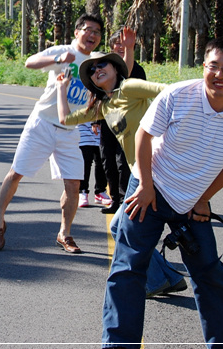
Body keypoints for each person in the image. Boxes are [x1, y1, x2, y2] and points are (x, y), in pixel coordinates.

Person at [101, 37, 223, 349]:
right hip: (150, 187)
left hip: (193, 200)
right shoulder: (178, 94)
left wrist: (204, 198)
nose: (220, 75)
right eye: (213, 66)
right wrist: (147, 186)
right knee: (128, 269)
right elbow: (144, 136)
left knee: (210, 274)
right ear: (204, 66)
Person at [56, 51, 186, 298]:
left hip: (159, 169)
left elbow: (171, 91)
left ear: (115, 69)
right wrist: (62, 89)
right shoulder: (104, 105)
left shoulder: (130, 87)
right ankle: (167, 277)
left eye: (102, 64)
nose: (97, 70)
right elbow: (66, 119)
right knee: (119, 226)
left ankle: (162, 278)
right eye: (92, 70)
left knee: (127, 228)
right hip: (140, 173)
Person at [0, 13, 103, 254]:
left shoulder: (96, 62)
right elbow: (29, 63)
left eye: (97, 32)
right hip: (41, 124)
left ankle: (65, 233)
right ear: (77, 32)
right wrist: (58, 59)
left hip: (70, 130)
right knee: (16, 173)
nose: (92, 35)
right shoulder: (64, 50)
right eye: (88, 29)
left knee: (74, 183)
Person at [101, 28, 146, 214]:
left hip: (129, 122)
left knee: (123, 163)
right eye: (116, 43)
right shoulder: (103, 67)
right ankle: (115, 200)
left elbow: (124, 76)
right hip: (108, 119)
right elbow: (98, 92)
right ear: (111, 48)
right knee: (107, 160)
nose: (120, 46)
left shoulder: (137, 69)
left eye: (124, 43)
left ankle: (125, 200)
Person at [77, 122, 112, 208]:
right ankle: (82, 191)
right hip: (83, 130)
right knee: (85, 162)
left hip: (101, 130)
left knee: (102, 162)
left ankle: (100, 192)